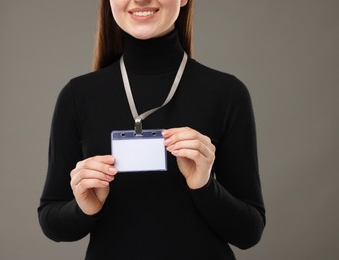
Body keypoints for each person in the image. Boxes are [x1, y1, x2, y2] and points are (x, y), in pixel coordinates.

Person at [38, 0, 265, 259]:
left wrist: (204, 186)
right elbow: (51, 221)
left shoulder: (227, 93)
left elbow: (249, 232)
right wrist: (84, 208)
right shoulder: (77, 97)